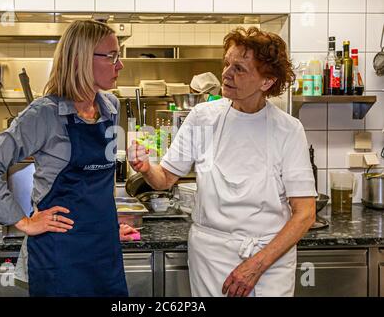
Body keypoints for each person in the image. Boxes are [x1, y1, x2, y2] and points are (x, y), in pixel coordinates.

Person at [129, 27, 316, 297]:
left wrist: (257, 265)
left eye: (239, 68)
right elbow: (165, 178)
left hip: (269, 257)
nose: (226, 73)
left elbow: (305, 213)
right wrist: (146, 168)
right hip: (211, 254)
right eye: (226, 63)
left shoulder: (288, 129)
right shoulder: (203, 117)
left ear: (266, 82)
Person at [0, 20, 138, 297]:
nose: (120, 65)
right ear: (81, 59)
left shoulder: (110, 107)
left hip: (104, 251)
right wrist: (22, 221)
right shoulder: (44, 114)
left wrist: (104, 226)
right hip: (60, 257)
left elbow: (97, 185)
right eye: (112, 56)